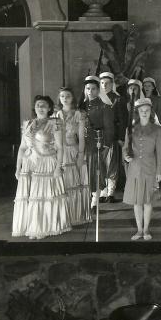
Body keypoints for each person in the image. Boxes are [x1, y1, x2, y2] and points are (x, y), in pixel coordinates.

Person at [12, 95, 71, 239]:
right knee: (31, 198)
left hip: (47, 163)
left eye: (44, 105)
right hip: (29, 164)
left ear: (49, 108)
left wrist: (58, 167)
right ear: (34, 107)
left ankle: (44, 227)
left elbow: (60, 147)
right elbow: (22, 147)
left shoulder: (55, 123)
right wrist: (18, 168)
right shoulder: (27, 124)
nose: (40, 108)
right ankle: (32, 226)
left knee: (44, 197)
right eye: (38, 105)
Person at [122, 96, 161, 240]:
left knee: (147, 201)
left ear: (151, 112)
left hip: (150, 167)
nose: (144, 113)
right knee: (136, 201)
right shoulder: (131, 128)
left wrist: (160, 171)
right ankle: (139, 230)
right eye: (142, 111)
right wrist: (126, 155)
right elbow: (125, 147)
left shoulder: (157, 130)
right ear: (138, 112)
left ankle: (146, 230)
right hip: (134, 168)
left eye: (147, 110)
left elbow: (159, 152)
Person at [55, 86, 91, 226]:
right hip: (60, 152)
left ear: (73, 98)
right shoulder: (55, 115)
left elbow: (81, 138)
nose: (65, 98)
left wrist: (81, 155)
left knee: (75, 183)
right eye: (62, 96)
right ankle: (64, 217)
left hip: (74, 150)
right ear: (59, 98)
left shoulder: (79, 114)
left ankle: (76, 216)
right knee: (63, 184)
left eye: (68, 96)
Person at [83, 74, 116, 205]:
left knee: (96, 170)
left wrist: (107, 146)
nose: (90, 92)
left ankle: (95, 199)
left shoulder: (105, 106)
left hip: (98, 141)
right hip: (83, 142)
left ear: (99, 90)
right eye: (88, 88)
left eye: (93, 89)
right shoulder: (82, 105)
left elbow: (109, 128)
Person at [98, 71, 128, 201]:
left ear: (112, 84)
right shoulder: (96, 99)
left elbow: (122, 119)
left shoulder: (118, 99)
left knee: (112, 164)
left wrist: (121, 137)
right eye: (102, 83)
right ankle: (102, 192)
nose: (104, 85)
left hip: (113, 137)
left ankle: (110, 192)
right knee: (100, 164)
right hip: (99, 137)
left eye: (107, 83)